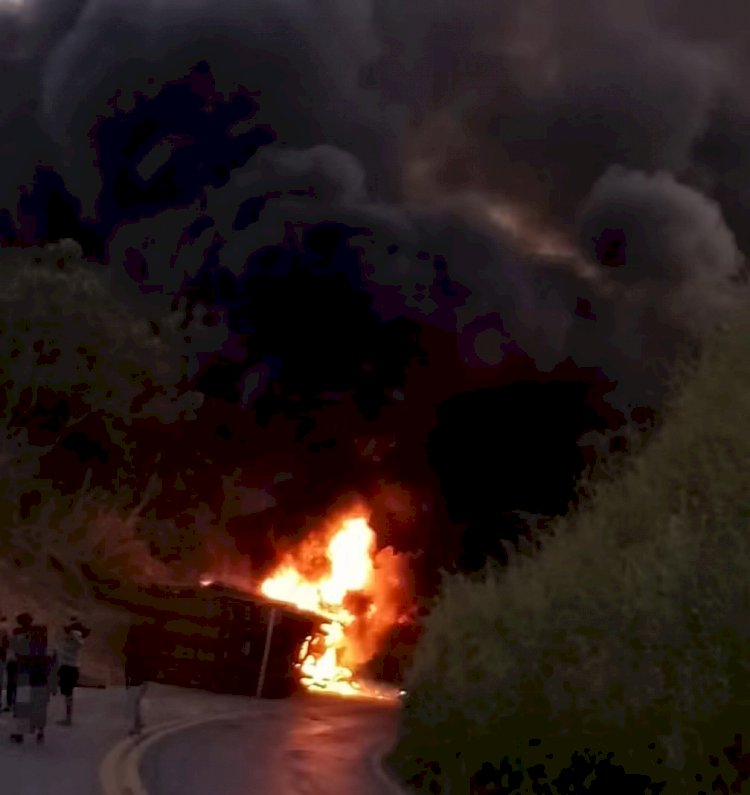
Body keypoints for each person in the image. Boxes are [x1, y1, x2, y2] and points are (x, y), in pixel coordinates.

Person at [56, 618, 90, 727]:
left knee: (68, 693)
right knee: (67, 694)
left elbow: (76, 639)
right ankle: (68, 717)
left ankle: (68, 718)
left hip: (68, 667)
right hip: (71, 667)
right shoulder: (73, 639)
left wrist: (72, 632)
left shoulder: (75, 638)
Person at [123, 623, 149, 736]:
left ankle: (136, 726)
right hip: (143, 679)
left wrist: (127, 681)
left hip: (135, 679)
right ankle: (139, 723)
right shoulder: (142, 647)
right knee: (136, 703)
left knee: (133, 703)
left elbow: (128, 666)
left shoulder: (131, 648)